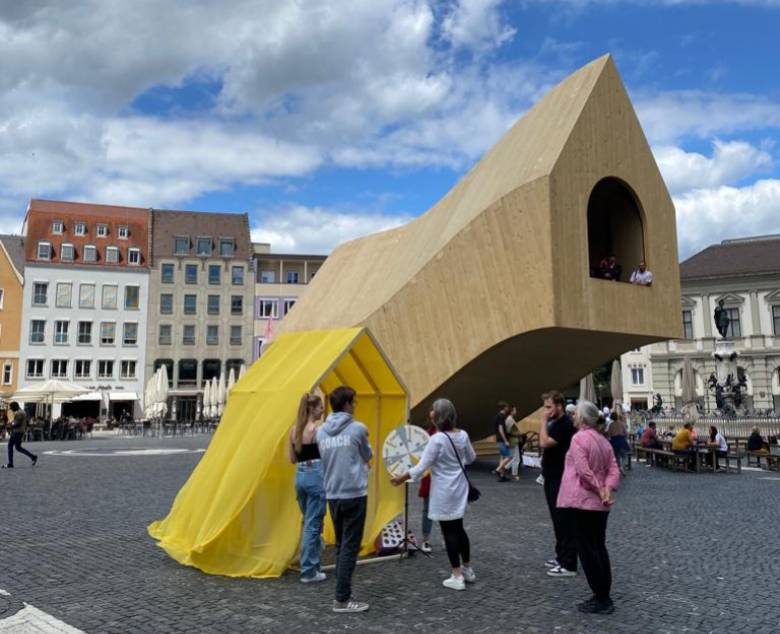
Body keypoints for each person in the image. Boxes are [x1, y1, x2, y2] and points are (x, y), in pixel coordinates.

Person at [391, 398, 477, 591]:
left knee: (449, 533)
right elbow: (471, 458)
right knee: (460, 529)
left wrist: (400, 478)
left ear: (439, 416)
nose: (430, 413)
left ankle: (456, 575)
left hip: (444, 491)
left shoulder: (437, 439)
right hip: (460, 489)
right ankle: (468, 569)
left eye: (433, 411)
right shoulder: (463, 435)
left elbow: (422, 467)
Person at [557, 400, 620, 615]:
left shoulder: (579, 439)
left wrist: (598, 488)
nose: (573, 417)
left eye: (576, 414)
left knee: (587, 549)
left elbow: (583, 471)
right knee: (599, 546)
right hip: (600, 504)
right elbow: (614, 469)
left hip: (582, 500)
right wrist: (607, 488)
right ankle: (604, 593)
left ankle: (601, 597)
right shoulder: (604, 441)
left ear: (583, 418)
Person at [316, 386, 373, 613]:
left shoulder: (321, 432)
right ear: (347, 404)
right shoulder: (358, 429)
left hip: (333, 493)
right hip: (354, 493)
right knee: (350, 546)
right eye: (354, 402)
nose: (355, 406)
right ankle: (342, 599)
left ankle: (342, 593)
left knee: (341, 545)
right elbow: (367, 455)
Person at [288, 393, 327, 583]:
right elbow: (326, 456)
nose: (323, 410)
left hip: (300, 477)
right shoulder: (316, 431)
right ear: (312, 409)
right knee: (313, 525)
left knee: (308, 522)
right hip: (315, 476)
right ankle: (309, 570)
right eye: (320, 407)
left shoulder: (294, 430)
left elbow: (292, 459)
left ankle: (313, 561)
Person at [539, 390, 577, 577]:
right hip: (553, 475)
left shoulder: (564, 425)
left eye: (549, 407)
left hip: (560, 477)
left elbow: (544, 443)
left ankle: (568, 562)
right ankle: (561, 555)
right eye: (545, 407)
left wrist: (542, 422)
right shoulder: (558, 423)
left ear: (559, 406)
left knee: (563, 519)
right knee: (557, 518)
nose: (546, 411)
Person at [418, 417, 437, 553]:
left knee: (446, 510)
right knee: (427, 510)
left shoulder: (448, 435)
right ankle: (425, 539)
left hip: (444, 478)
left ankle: (449, 537)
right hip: (429, 477)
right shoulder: (426, 434)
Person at [3, 402, 38, 469]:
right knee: (16, 447)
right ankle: (32, 457)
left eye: (11, 407)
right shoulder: (21, 412)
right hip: (18, 431)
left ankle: (11, 463)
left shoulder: (19, 413)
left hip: (17, 432)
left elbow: (17, 424)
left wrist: (10, 426)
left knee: (14, 446)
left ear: (15, 406)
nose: (11, 409)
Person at [607, 408, 630, 475]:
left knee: (616, 456)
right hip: (621, 440)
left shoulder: (610, 425)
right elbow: (626, 433)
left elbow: (609, 434)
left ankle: (619, 466)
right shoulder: (621, 424)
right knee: (624, 455)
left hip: (614, 441)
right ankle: (622, 467)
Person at [493, 402, 512, 481]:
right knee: (509, 456)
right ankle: (498, 470)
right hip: (502, 440)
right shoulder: (501, 417)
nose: (508, 408)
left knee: (502, 457)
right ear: (504, 408)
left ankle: (502, 475)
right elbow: (501, 429)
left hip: (499, 439)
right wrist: (506, 440)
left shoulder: (498, 416)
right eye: (507, 407)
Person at [507, 406, 526, 480]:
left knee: (513, 458)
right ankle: (514, 474)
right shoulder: (510, 420)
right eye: (515, 410)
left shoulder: (510, 419)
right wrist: (519, 434)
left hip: (513, 440)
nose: (516, 411)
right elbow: (509, 431)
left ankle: (503, 468)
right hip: (513, 440)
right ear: (511, 411)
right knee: (516, 458)